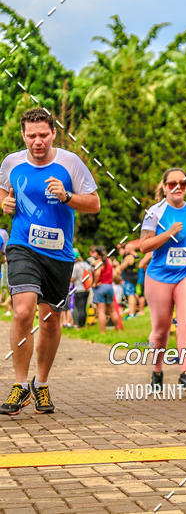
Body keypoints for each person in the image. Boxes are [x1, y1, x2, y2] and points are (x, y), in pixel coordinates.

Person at [0, 107, 100, 415]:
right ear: (23, 136)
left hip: (58, 252)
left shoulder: (70, 163)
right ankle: (19, 385)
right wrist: (5, 203)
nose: (37, 141)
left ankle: (40, 384)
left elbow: (94, 204)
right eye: (31, 136)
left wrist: (68, 196)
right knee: (22, 310)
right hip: (21, 246)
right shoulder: (11, 163)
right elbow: (3, 193)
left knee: (51, 320)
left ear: (53, 133)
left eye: (43, 135)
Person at [140, 168, 186, 392]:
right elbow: (144, 246)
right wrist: (168, 233)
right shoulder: (155, 212)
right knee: (161, 329)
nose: (178, 187)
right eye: (172, 184)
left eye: (182, 183)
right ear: (164, 187)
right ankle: (157, 371)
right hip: (159, 275)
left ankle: (185, 374)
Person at [90, 246, 120, 334]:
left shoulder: (98, 262)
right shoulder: (109, 261)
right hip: (110, 287)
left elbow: (97, 273)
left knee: (101, 311)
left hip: (101, 287)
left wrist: (95, 283)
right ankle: (117, 329)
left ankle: (103, 332)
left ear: (98, 254)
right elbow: (114, 275)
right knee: (112, 310)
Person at [71, 250, 91, 329]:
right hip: (87, 289)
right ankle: (84, 324)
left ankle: (80, 325)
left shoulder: (76, 266)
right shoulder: (86, 264)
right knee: (84, 307)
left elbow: (72, 279)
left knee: (80, 308)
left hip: (79, 289)